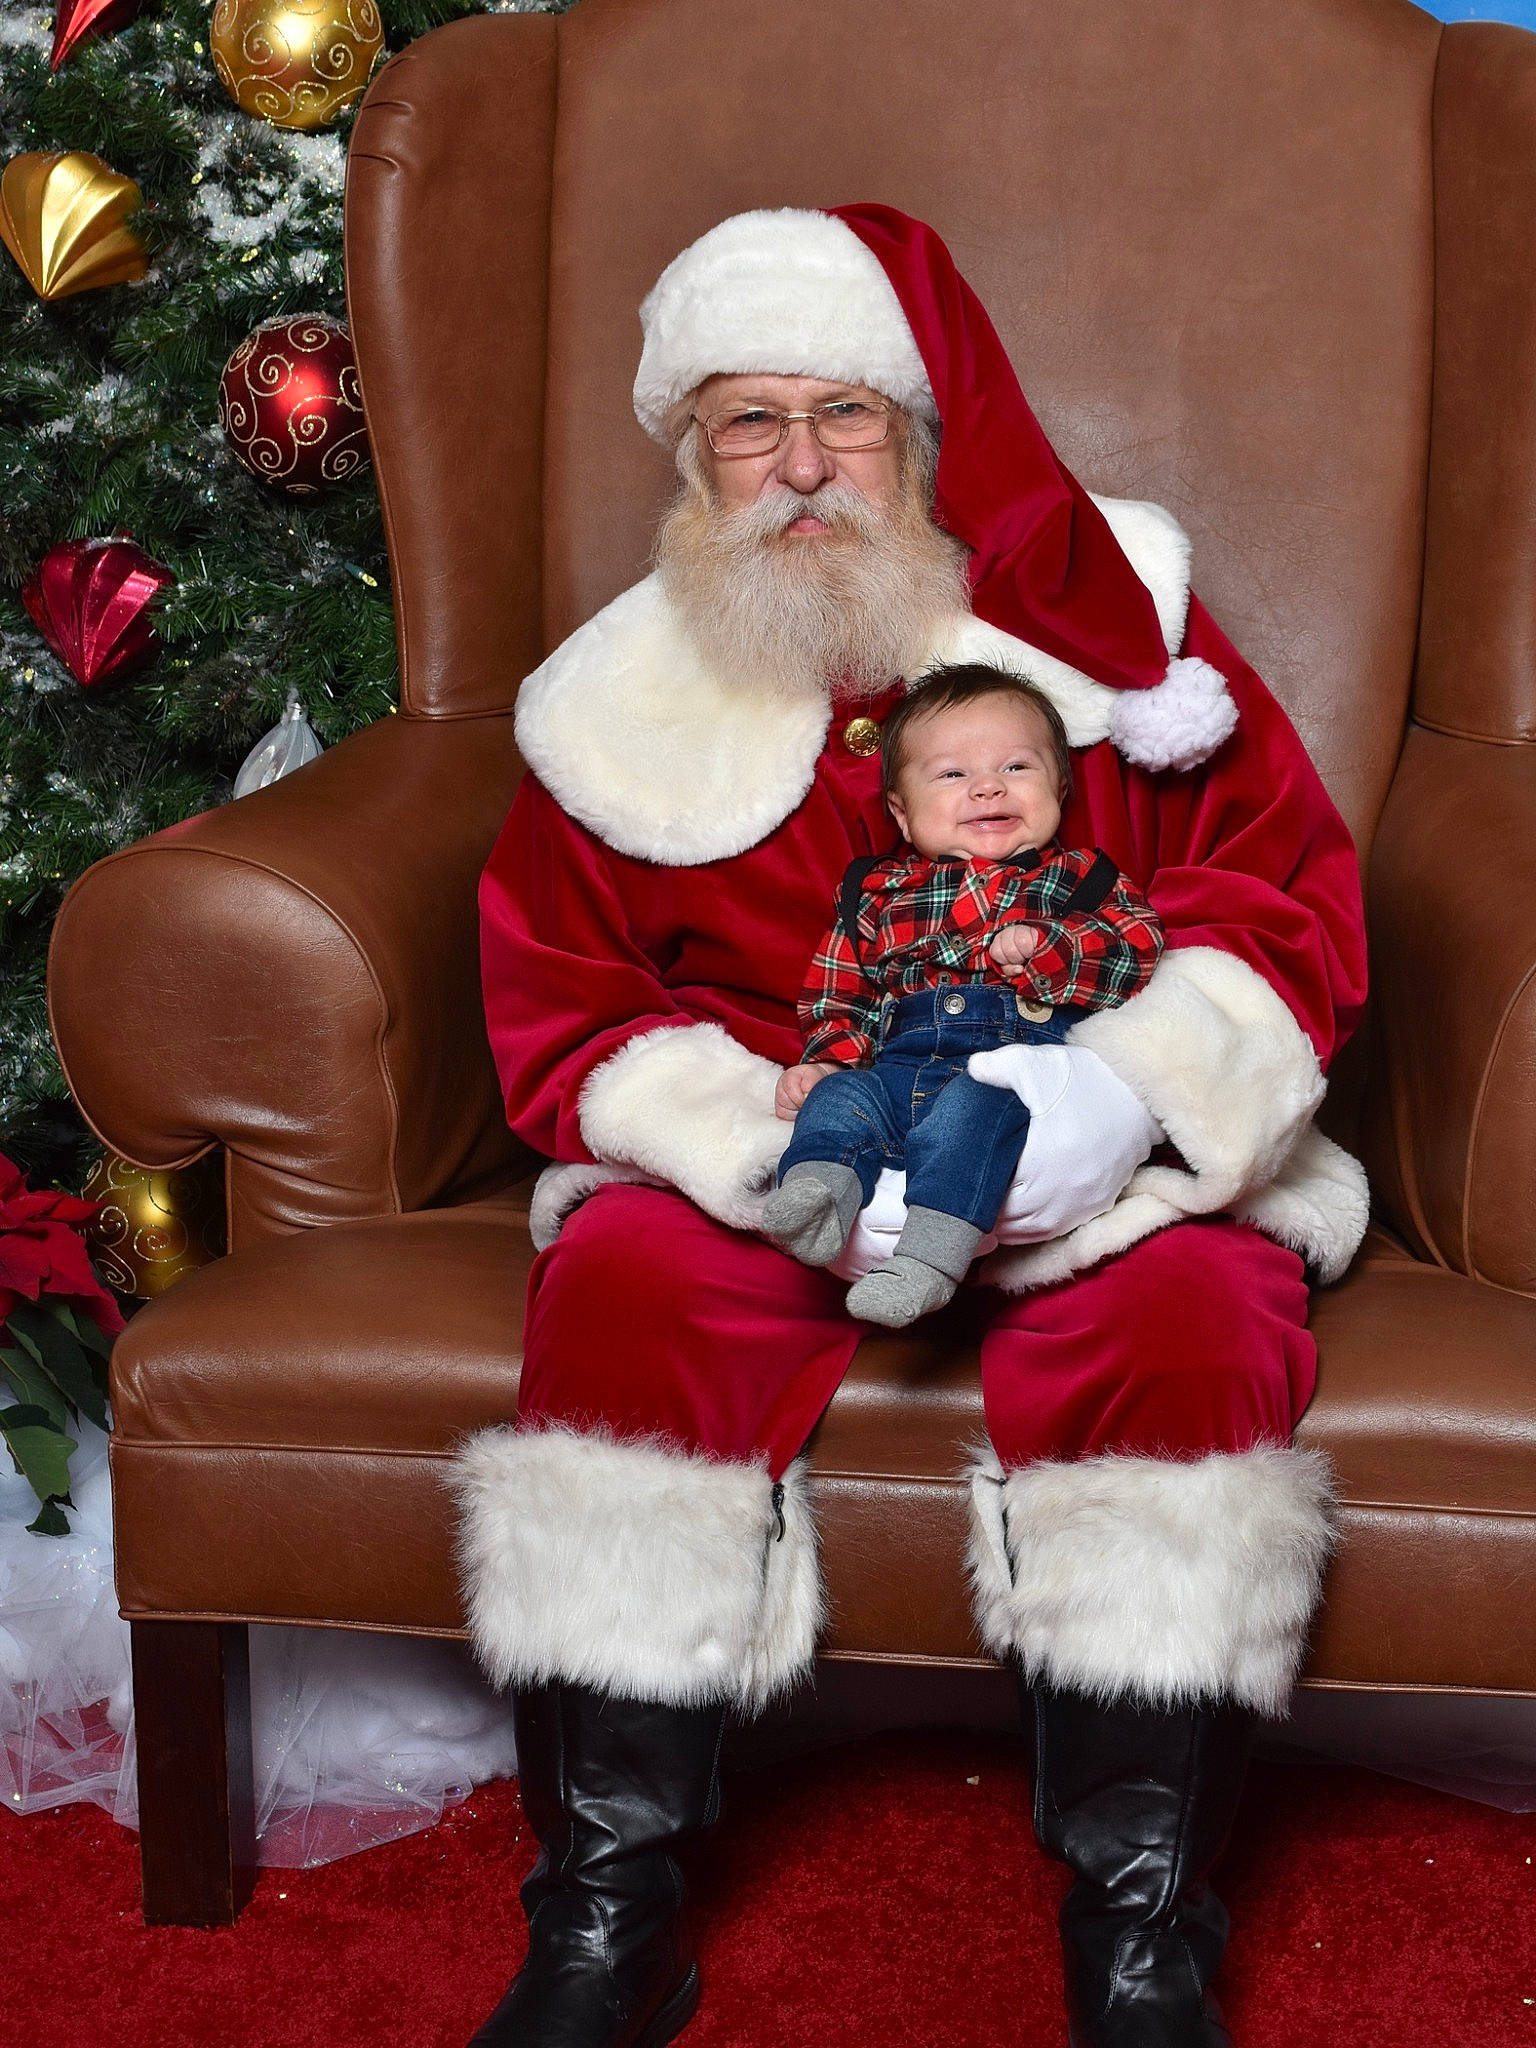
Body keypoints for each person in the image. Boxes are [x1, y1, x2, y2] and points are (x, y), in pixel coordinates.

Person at [458, 204, 1369, 2048]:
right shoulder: (606, 710)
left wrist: (1120, 1093)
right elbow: (561, 998)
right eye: (746, 422)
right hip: (775, 1166)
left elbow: (1287, 897)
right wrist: (741, 1122)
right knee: (621, 1285)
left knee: (1198, 1320)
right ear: (689, 454)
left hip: (1089, 1148)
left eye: (844, 417)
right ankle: (603, 1911)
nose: (800, 468)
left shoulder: (1117, 640)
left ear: (919, 434)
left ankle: (1141, 1928)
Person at [767, 665, 1164, 1327]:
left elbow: (1138, 950)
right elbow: (843, 994)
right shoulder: (875, 890)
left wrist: (1050, 948)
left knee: (975, 1112)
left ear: (1059, 787)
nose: (987, 787)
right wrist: (828, 1061)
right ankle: (817, 1191)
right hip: (897, 1065)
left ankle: (928, 1259)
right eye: (952, 775)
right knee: (838, 1099)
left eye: (1016, 767)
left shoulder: (1079, 878)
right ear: (901, 809)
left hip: (1004, 1065)